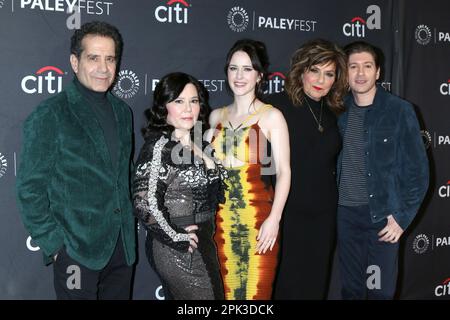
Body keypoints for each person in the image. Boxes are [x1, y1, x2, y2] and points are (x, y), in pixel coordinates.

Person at [16, 21, 136, 299]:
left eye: (110, 59)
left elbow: (123, 175)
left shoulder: (122, 112)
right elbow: (29, 188)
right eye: (93, 58)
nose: (103, 68)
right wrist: (56, 246)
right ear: (74, 61)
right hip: (76, 253)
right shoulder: (51, 113)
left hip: (122, 250)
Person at [337, 41, 429, 299]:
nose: (360, 73)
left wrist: (401, 217)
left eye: (367, 66)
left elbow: (418, 173)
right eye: (353, 67)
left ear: (378, 72)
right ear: (346, 72)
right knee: (351, 290)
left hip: (382, 217)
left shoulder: (400, 111)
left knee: (380, 292)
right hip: (346, 216)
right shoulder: (339, 111)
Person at [208, 39, 291, 300]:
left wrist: (274, 220)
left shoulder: (271, 117)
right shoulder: (215, 117)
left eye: (247, 69)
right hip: (219, 224)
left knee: (256, 296)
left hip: (259, 224)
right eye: (234, 68)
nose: (239, 76)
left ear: (259, 76)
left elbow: (285, 172)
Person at [132, 72, 226, 300]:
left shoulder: (202, 144)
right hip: (177, 247)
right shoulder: (160, 147)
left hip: (204, 240)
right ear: (164, 106)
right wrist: (177, 236)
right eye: (179, 101)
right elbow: (143, 202)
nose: (188, 109)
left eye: (193, 101)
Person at [266, 39, 348, 299]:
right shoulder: (274, 107)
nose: (320, 80)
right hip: (284, 213)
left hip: (323, 216)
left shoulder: (335, 112)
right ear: (302, 70)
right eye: (315, 70)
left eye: (329, 74)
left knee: (315, 283)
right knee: (282, 283)